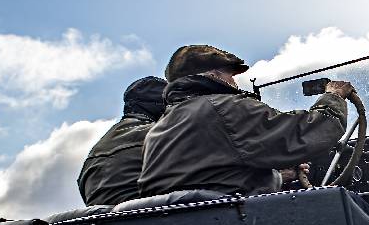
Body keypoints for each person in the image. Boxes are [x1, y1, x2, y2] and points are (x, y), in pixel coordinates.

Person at [138, 44, 354, 197]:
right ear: (213, 76)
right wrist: (333, 96)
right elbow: (310, 131)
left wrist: (279, 177)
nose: (235, 82)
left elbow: (210, 178)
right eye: (230, 75)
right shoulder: (225, 108)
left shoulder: (160, 128)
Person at [77, 76, 167, 206]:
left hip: (104, 223)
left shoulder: (99, 146)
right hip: (151, 218)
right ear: (161, 106)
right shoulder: (160, 134)